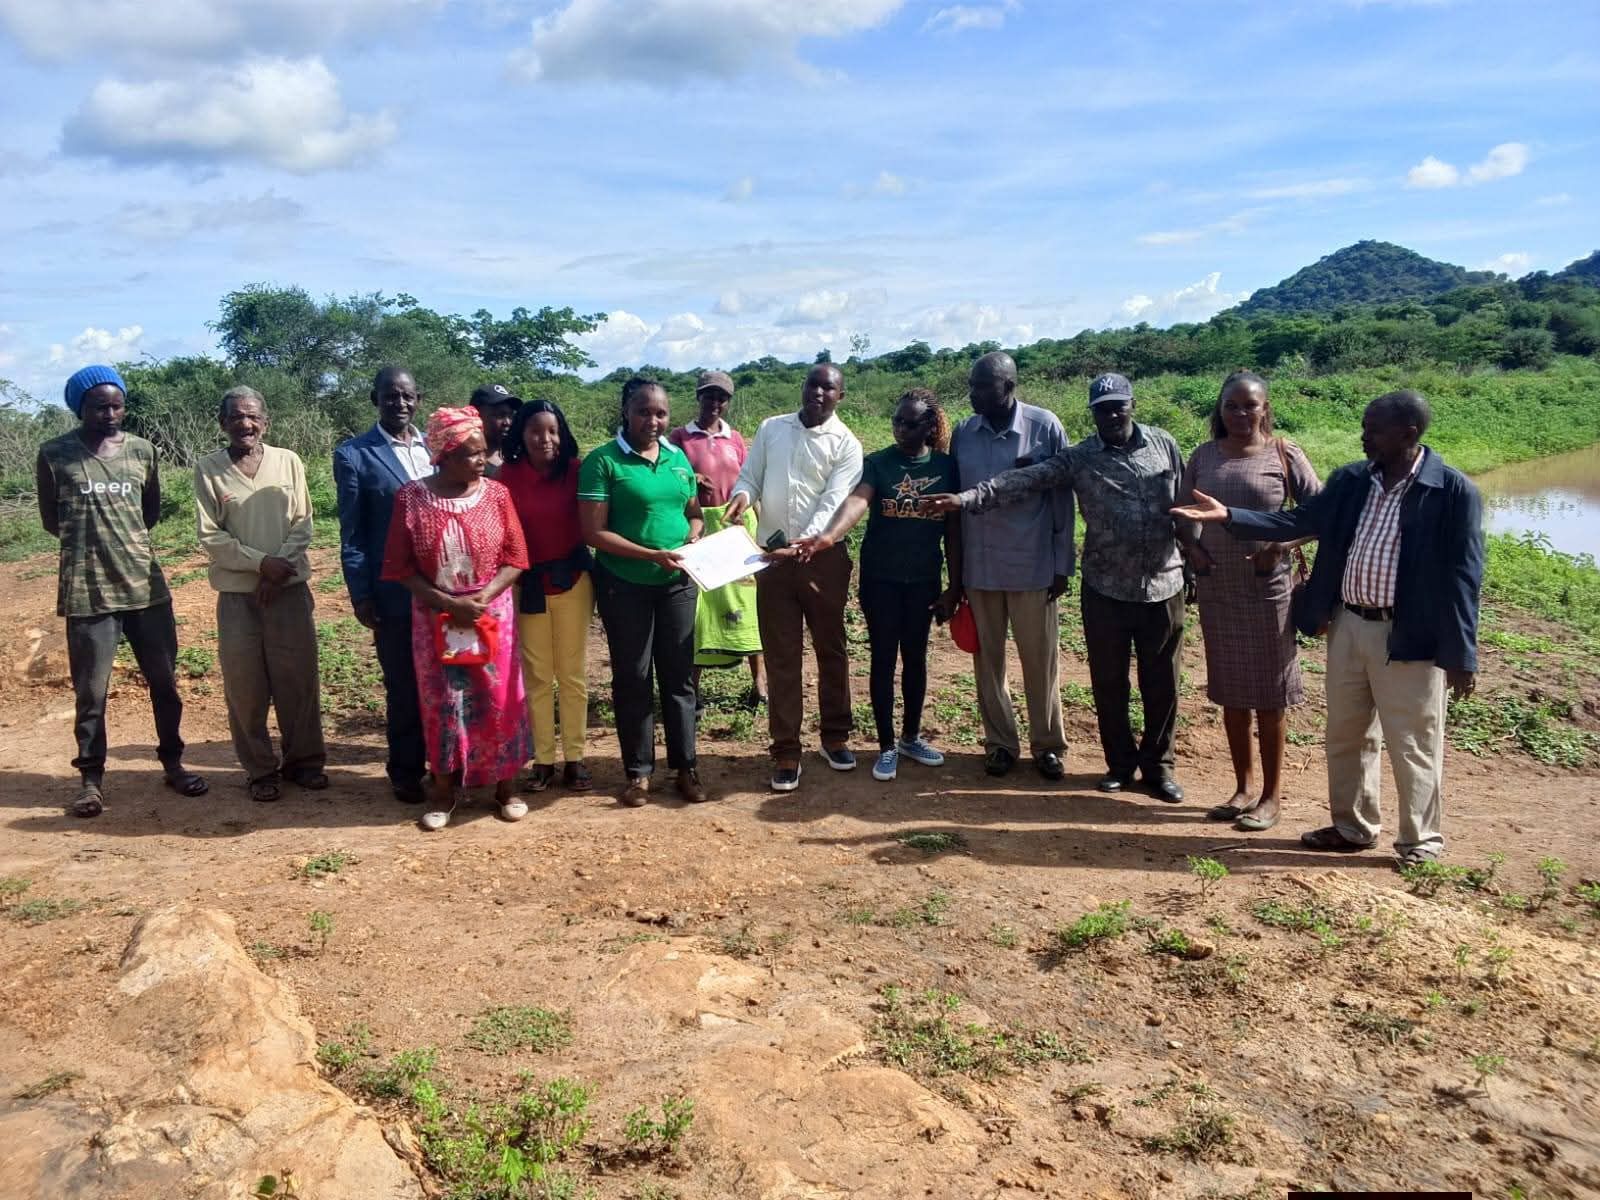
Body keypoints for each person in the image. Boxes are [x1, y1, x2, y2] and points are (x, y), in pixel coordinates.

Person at [1172, 389, 1483, 866]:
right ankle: (1353, 827)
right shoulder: (1354, 480)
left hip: (1410, 635)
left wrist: (1461, 654)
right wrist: (1230, 515)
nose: (1364, 436)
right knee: (1347, 735)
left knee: (1413, 742)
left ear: (1408, 434)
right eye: (1364, 426)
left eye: (1373, 430)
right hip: (1349, 625)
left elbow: (1464, 575)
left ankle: (1420, 840)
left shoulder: (1452, 491)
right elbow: (1300, 519)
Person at [926, 371, 1190, 802]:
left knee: (1162, 682)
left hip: (1161, 582)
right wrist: (967, 498)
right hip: (1102, 584)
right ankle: (1119, 765)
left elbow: (1185, 504)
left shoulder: (1164, 444)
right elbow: (1027, 479)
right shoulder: (1080, 456)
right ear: (1092, 413)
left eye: (1118, 407)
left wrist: (1192, 562)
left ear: (1133, 405)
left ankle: (1158, 768)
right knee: (1108, 683)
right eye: (1102, 410)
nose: (1111, 415)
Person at [35, 365, 207, 817]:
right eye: (99, 407)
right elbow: (52, 520)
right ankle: (91, 780)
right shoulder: (54, 454)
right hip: (87, 592)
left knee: (164, 683)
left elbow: (148, 513)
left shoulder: (142, 451)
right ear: (80, 408)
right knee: (91, 693)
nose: (110, 414)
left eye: (117, 406)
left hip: (145, 588)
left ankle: (173, 763)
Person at [795, 388, 963, 782]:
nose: (900, 429)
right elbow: (858, 501)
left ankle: (910, 738)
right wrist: (828, 536)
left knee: (916, 658)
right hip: (881, 581)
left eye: (910, 423)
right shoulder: (878, 463)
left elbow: (954, 532)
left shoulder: (947, 467)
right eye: (897, 421)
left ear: (929, 426)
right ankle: (886, 745)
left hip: (923, 580)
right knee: (884, 658)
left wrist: (954, 587)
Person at [1180, 372, 1321, 831]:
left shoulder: (1283, 453)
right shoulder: (1203, 456)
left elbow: (1322, 515)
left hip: (1268, 591)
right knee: (1231, 691)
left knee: (1269, 696)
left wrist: (1280, 546)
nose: (1240, 413)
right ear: (1219, 411)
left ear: (1265, 409)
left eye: (1250, 405)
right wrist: (1192, 547)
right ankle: (1242, 788)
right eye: (1231, 406)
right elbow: (1183, 512)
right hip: (1219, 590)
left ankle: (1271, 797)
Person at [380, 405, 532, 830]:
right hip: (435, 617)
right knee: (444, 702)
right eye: (471, 453)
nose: (482, 460)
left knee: (499, 698)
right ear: (444, 455)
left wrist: (482, 597)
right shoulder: (411, 498)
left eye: (483, 452)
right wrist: (446, 602)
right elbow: (399, 567)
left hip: (490, 612)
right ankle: (444, 791)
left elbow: (517, 558)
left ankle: (506, 787)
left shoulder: (497, 495)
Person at [924, 352, 1071, 781]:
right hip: (981, 566)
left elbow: (1062, 498)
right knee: (988, 664)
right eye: (971, 385)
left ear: (1008, 387)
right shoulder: (965, 433)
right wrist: (957, 577)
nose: (972, 394)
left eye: (982, 387)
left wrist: (1062, 563)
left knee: (1040, 662)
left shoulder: (1044, 427)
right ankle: (1001, 743)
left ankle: (1047, 745)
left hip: (1032, 566)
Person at [725, 363, 864, 792]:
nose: (819, 393)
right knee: (781, 654)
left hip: (823, 560)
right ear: (802, 387)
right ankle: (786, 750)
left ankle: (835, 736)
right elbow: (750, 475)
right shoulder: (772, 428)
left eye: (829, 388)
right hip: (773, 561)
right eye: (813, 384)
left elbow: (834, 502)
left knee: (830, 648)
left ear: (840, 396)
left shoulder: (846, 444)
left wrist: (808, 543)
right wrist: (742, 496)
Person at [194, 386, 327, 802]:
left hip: (288, 591)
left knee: (298, 680)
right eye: (236, 416)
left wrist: (277, 569)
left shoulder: (289, 461)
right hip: (239, 598)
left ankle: (304, 762)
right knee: (245, 687)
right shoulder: (208, 469)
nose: (245, 424)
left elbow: (303, 522)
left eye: (252, 416)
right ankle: (260, 770)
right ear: (223, 423)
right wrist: (259, 564)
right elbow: (210, 535)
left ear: (265, 421)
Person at [578, 378, 706, 807]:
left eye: (661, 413)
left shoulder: (677, 458)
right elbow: (593, 532)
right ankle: (638, 773)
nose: (653, 420)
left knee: (679, 676)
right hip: (624, 584)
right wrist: (652, 555)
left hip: (677, 583)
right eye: (643, 411)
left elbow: (694, 513)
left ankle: (686, 768)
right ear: (626, 412)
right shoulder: (603, 461)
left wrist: (693, 537)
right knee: (633, 676)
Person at [333, 366, 431, 804]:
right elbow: (353, 532)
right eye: (390, 396)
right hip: (394, 591)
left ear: (418, 399)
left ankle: (448, 765)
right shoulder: (354, 455)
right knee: (404, 685)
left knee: (447, 680)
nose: (400, 404)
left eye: (407, 396)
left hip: (446, 588)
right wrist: (361, 593)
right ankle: (406, 772)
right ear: (375, 399)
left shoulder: (437, 448)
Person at [498, 399, 594, 794]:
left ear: (562, 433)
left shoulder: (577, 471)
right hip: (529, 584)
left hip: (573, 579)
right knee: (537, 675)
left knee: (571, 673)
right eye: (535, 431)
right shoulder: (506, 477)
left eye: (552, 430)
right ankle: (543, 760)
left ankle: (575, 758)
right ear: (521, 434)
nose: (545, 439)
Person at [668, 370, 766, 708]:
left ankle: (759, 683)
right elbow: (669, 476)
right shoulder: (679, 437)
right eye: (709, 395)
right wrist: (691, 478)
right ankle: (692, 688)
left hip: (736, 526)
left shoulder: (734, 438)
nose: (715, 402)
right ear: (698, 396)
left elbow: (749, 482)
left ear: (728, 402)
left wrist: (758, 527)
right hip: (700, 526)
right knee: (702, 607)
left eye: (722, 397)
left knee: (746, 603)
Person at [470, 382, 521, 477]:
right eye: (500, 415)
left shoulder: (518, 457)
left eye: (511, 415)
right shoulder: (464, 466)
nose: (507, 422)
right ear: (476, 416)